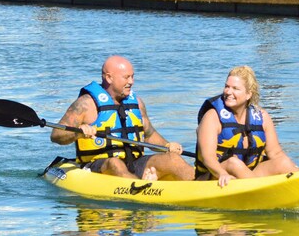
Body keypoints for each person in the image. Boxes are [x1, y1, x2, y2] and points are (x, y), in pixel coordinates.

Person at [51, 55, 194, 181]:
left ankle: (200, 184)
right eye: (126, 77)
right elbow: (56, 135)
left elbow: (149, 134)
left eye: (132, 76)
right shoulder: (86, 104)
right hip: (100, 166)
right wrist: (78, 132)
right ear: (109, 78)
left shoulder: (136, 102)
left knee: (172, 159)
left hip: (135, 163)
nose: (131, 81)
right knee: (115, 163)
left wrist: (168, 146)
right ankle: (141, 188)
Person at [195, 65, 298, 187]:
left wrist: (293, 167)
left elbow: (276, 154)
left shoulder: (262, 117)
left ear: (249, 94)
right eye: (227, 86)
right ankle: (265, 191)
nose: (228, 92)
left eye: (235, 88)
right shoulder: (212, 117)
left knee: (283, 162)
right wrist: (222, 173)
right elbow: (208, 158)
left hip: (249, 175)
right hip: (213, 176)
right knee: (234, 163)